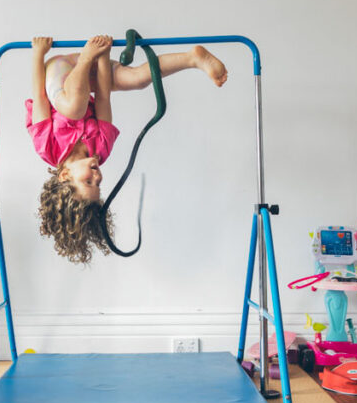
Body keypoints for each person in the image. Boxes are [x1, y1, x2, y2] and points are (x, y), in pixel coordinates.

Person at [29, 34, 228, 263]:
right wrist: (103, 57)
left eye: (88, 182)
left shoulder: (47, 147)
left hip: (57, 72)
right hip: (88, 73)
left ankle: (85, 59)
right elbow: (103, 97)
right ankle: (193, 58)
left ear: (65, 175)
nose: (97, 176)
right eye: (98, 183)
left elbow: (39, 96)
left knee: (74, 107)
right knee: (138, 79)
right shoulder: (101, 147)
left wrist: (38, 53)